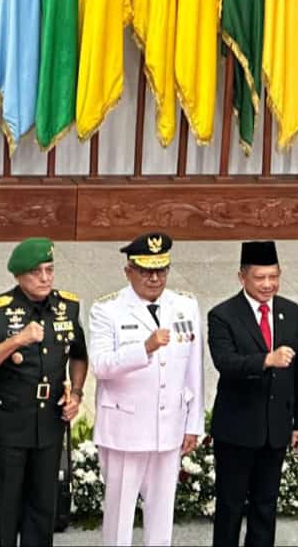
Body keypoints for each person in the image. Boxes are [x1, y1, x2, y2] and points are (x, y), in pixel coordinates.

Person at [0, 237, 88, 547]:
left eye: (50, 270)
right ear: (19, 275)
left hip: (48, 423)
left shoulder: (67, 307)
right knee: (3, 509)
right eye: (37, 272)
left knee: (42, 509)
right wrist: (16, 340)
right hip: (7, 424)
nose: (45, 278)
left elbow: (79, 355)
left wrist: (76, 394)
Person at [88, 232, 204, 547]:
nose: (155, 278)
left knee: (162, 514)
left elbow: (193, 369)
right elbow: (101, 365)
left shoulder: (185, 305)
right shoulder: (107, 309)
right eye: (146, 271)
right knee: (119, 517)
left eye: (161, 270)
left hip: (168, 427)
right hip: (125, 430)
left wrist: (193, 423)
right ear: (129, 271)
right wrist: (144, 348)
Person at [208, 240, 298, 546]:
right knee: (230, 506)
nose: (268, 284)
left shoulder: (292, 312)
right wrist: (266, 360)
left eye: (274, 276)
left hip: (275, 430)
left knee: (265, 507)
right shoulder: (223, 315)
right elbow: (225, 363)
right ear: (242, 277)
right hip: (237, 430)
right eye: (260, 278)